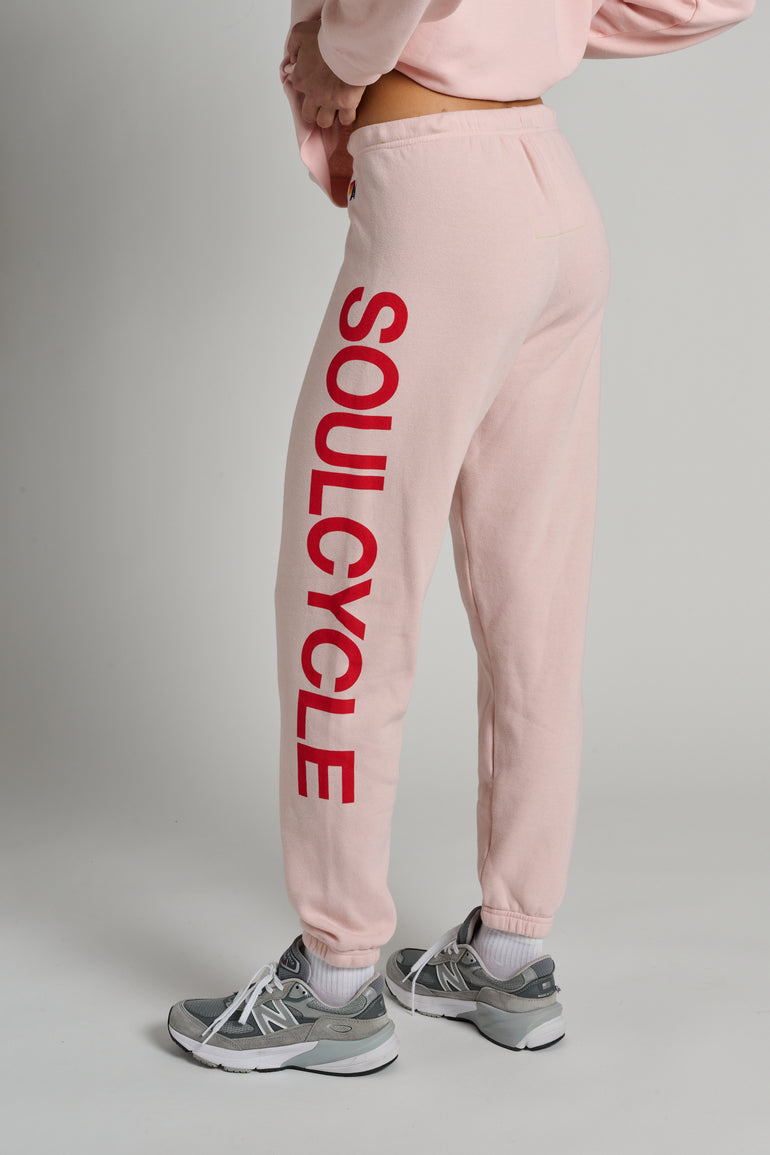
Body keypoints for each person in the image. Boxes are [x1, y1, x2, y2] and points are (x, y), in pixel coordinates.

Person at [167, 0, 756, 1076]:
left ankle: (335, 978)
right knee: (535, 600)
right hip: (551, 193)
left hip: (439, 198)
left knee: (345, 578)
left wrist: (343, 53)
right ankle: (510, 952)